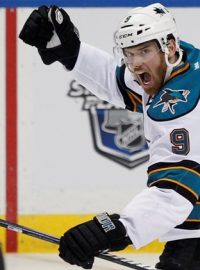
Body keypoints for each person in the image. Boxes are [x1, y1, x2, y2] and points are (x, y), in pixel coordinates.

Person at [18, 3, 200, 270]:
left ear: (169, 46)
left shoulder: (181, 108)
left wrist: (114, 228)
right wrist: (72, 52)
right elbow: (116, 81)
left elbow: (177, 187)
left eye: (144, 51)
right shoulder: (180, 63)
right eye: (129, 53)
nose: (135, 63)